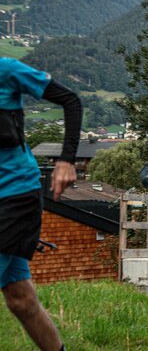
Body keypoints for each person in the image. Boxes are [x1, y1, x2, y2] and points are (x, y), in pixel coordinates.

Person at [1, 58, 82, 351]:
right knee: (21, 299)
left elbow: (70, 100)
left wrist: (66, 160)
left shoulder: (6, 70)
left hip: (14, 195)